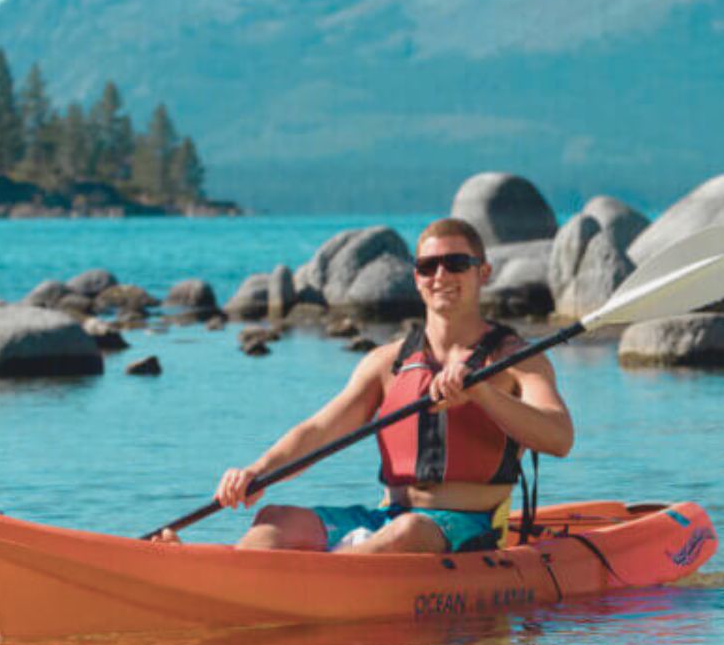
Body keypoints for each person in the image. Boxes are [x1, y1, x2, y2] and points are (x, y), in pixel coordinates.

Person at [165, 217, 574, 554]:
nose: (441, 275)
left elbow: (559, 437)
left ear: (482, 273)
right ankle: (220, 573)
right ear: (416, 278)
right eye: (428, 267)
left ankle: (296, 583)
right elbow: (319, 431)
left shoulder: (516, 360)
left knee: (406, 533)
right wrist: (257, 471)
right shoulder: (386, 363)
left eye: (456, 263)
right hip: (387, 518)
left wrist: (483, 393)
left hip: (466, 527)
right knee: (276, 519)